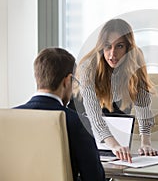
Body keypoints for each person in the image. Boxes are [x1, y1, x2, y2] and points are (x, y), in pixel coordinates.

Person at [72, 18, 157, 162]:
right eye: (107, 46)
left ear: (128, 47)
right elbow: (94, 116)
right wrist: (115, 145)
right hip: (82, 121)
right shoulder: (88, 66)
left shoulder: (135, 58)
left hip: (116, 124)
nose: (112, 54)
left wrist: (145, 143)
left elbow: (142, 105)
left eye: (119, 46)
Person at [14, 48, 105, 181]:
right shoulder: (76, 122)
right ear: (67, 80)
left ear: (37, 76)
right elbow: (94, 177)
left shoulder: (9, 118)